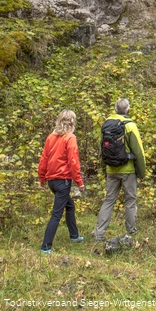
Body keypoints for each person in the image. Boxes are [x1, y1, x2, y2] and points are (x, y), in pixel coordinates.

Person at [93, 98, 146, 241]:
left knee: (109, 200)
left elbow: (102, 149)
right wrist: (142, 172)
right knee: (130, 201)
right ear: (128, 110)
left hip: (111, 169)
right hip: (127, 171)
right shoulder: (130, 126)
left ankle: (99, 233)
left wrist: (104, 169)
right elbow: (139, 152)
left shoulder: (106, 124)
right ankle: (131, 232)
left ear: (115, 109)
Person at [38, 110, 86, 253]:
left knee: (69, 206)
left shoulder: (51, 137)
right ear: (72, 122)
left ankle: (74, 235)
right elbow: (73, 161)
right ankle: (45, 247)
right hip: (63, 181)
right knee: (56, 214)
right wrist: (79, 182)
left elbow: (43, 159)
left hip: (53, 181)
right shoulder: (70, 138)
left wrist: (42, 178)